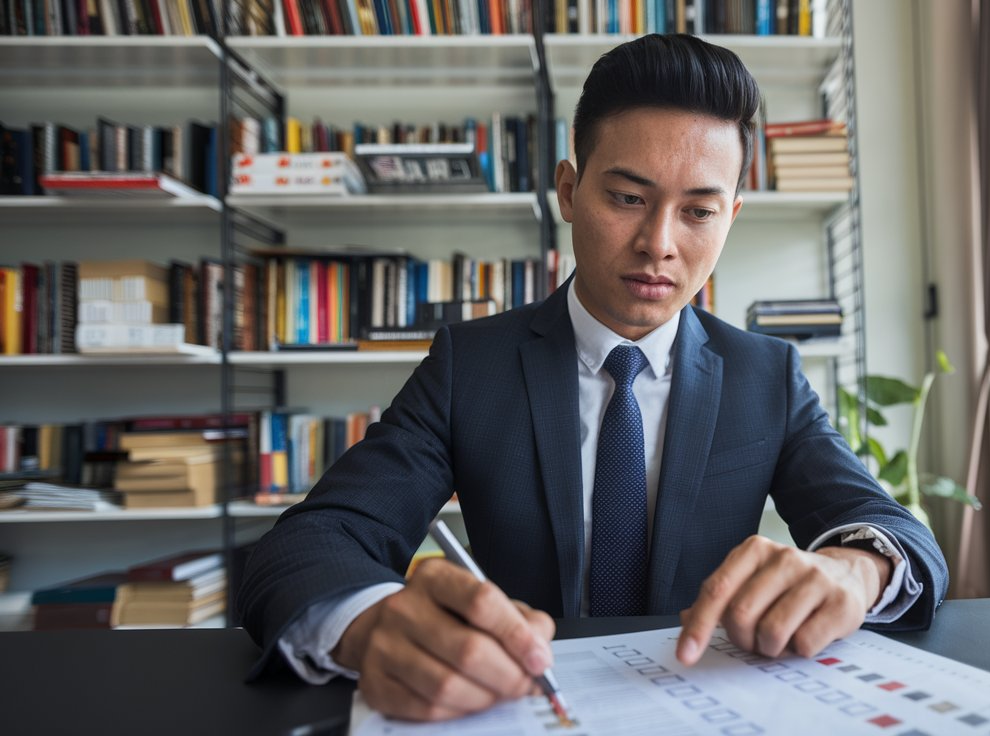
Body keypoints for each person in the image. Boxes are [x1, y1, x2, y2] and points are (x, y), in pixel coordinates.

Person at [236, 33, 948, 723]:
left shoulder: (767, 375)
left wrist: (853, 573)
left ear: (729, 218)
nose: (659, 245)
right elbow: (311, 542)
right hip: (515, 708)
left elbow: (894, 532)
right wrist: (369, 624)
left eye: (698, 211)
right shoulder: (470, 366)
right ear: (570, 191)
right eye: (629, 199)